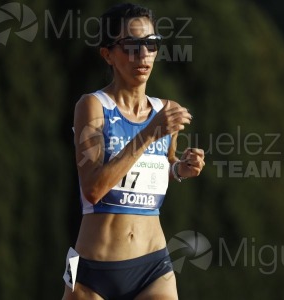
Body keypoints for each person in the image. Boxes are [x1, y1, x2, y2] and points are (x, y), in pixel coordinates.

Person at [62, 3, 205, 300]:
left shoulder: (166, 111)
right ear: (108, 54)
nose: (142, 55)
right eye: (131, 46)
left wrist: (179, 169)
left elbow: (160, 165)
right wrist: (149, 133)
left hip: (153, 268)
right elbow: (93, 189)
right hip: (92, 273)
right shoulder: (92, 107)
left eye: (150, 44)